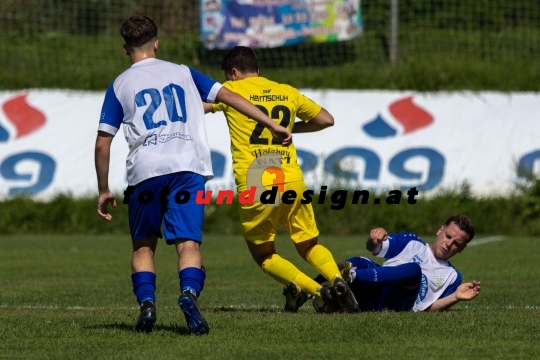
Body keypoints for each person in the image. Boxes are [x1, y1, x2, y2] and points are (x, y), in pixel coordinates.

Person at [95, 17, 292, 335]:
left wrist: (103, 189)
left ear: (125, 49)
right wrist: (270, 123)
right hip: (188, 167)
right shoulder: (184, 72)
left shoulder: (120, 85)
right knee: (188, 242)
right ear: (156, 43)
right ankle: (188, 294)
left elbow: (103, 141)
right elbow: (230, 96)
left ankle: (147, 304)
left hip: (146, 170)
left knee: (143, 245)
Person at [203, 46, 359, 313]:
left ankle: (319, 290)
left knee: (263, 254)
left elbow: (198, 108)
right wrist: (288, 128)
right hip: (291, 176)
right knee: (309, 244)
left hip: (257, 179)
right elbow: (326, 119)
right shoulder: (286, 91)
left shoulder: (231, 91)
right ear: (258, 69)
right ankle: (336, 278)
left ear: (234, 72)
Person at [312, 215, 481, 313]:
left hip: (397, 301)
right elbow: (374, 248)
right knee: (360, 261)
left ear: (462, 249)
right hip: (373, 286)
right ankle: (308, 288)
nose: (448, 244)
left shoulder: (452, 277)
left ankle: (350, 277)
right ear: (440, 230)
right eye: (448, 236)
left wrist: (456, 297)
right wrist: (374, 239)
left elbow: (430, 307)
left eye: (456, 244)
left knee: (414, 271)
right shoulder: (411, 241)